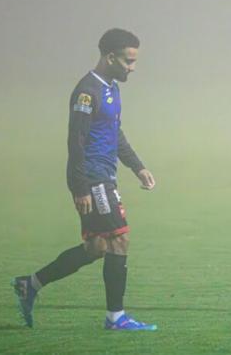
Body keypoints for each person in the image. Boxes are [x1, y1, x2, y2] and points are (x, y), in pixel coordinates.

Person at [12, 28, 157, 331]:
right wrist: (80, 187)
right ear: (110, 57)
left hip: (103, 176)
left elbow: (113, 133)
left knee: (97, 248)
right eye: (129, 61)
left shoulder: (111, 88)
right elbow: (75, 142)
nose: (133, 67)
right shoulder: (87, 92)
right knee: (120, 239)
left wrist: (137, 166)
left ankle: (31, 284)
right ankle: (116, 318)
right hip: (93, 179)